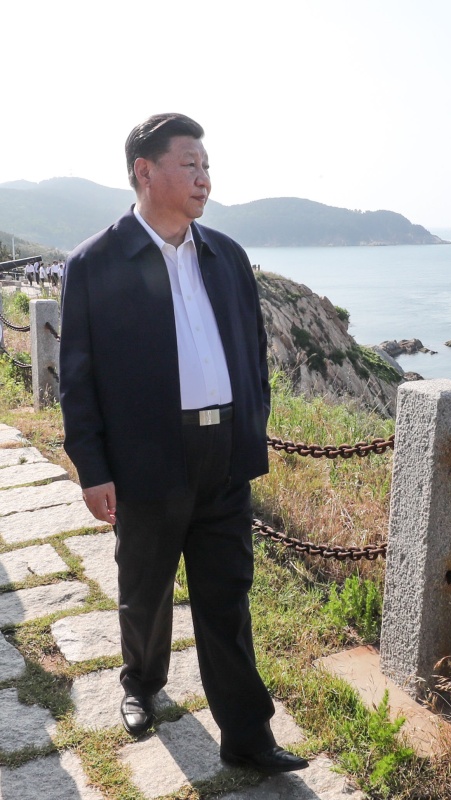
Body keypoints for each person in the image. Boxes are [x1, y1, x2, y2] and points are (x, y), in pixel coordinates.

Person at [59, 113, 307, 774]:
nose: (204, 178)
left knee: (227, 597)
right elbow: (77, 381)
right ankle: (141, 684)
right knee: (145, 588)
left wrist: (249, 426)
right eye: (190, 164)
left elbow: (252, 354)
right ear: (145, 172)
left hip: (223, 455)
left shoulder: (226, 255)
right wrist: (93, 468)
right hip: (145, 459)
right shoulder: (95, 263)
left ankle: (247, 738)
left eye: (206, 166)